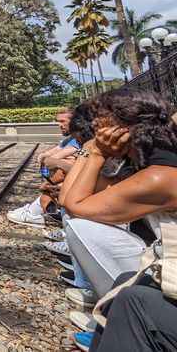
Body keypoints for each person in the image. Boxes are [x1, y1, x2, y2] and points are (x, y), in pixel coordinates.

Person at [58, 91, 177, 351]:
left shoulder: (159, 178)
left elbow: (74, 205)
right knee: (125, 282)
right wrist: (91, 153)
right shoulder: (146, 166)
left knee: (131, 300)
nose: (95, 128)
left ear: (121, 129)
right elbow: (69, 199)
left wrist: (96, 153)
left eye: (101, 120)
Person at [7, 107, 81, 228]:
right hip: (71, 181)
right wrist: (46, 157)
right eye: (58, 121)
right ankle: (38, 212)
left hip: (76, 183)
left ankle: (36, 213)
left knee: (61, 171)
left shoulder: (80, 140)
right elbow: (51, 154)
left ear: (75, 121)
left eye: (62, 121)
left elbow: (56, 158)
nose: (59, 125)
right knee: (59, 171)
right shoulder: (71, 139)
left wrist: (55, 162)